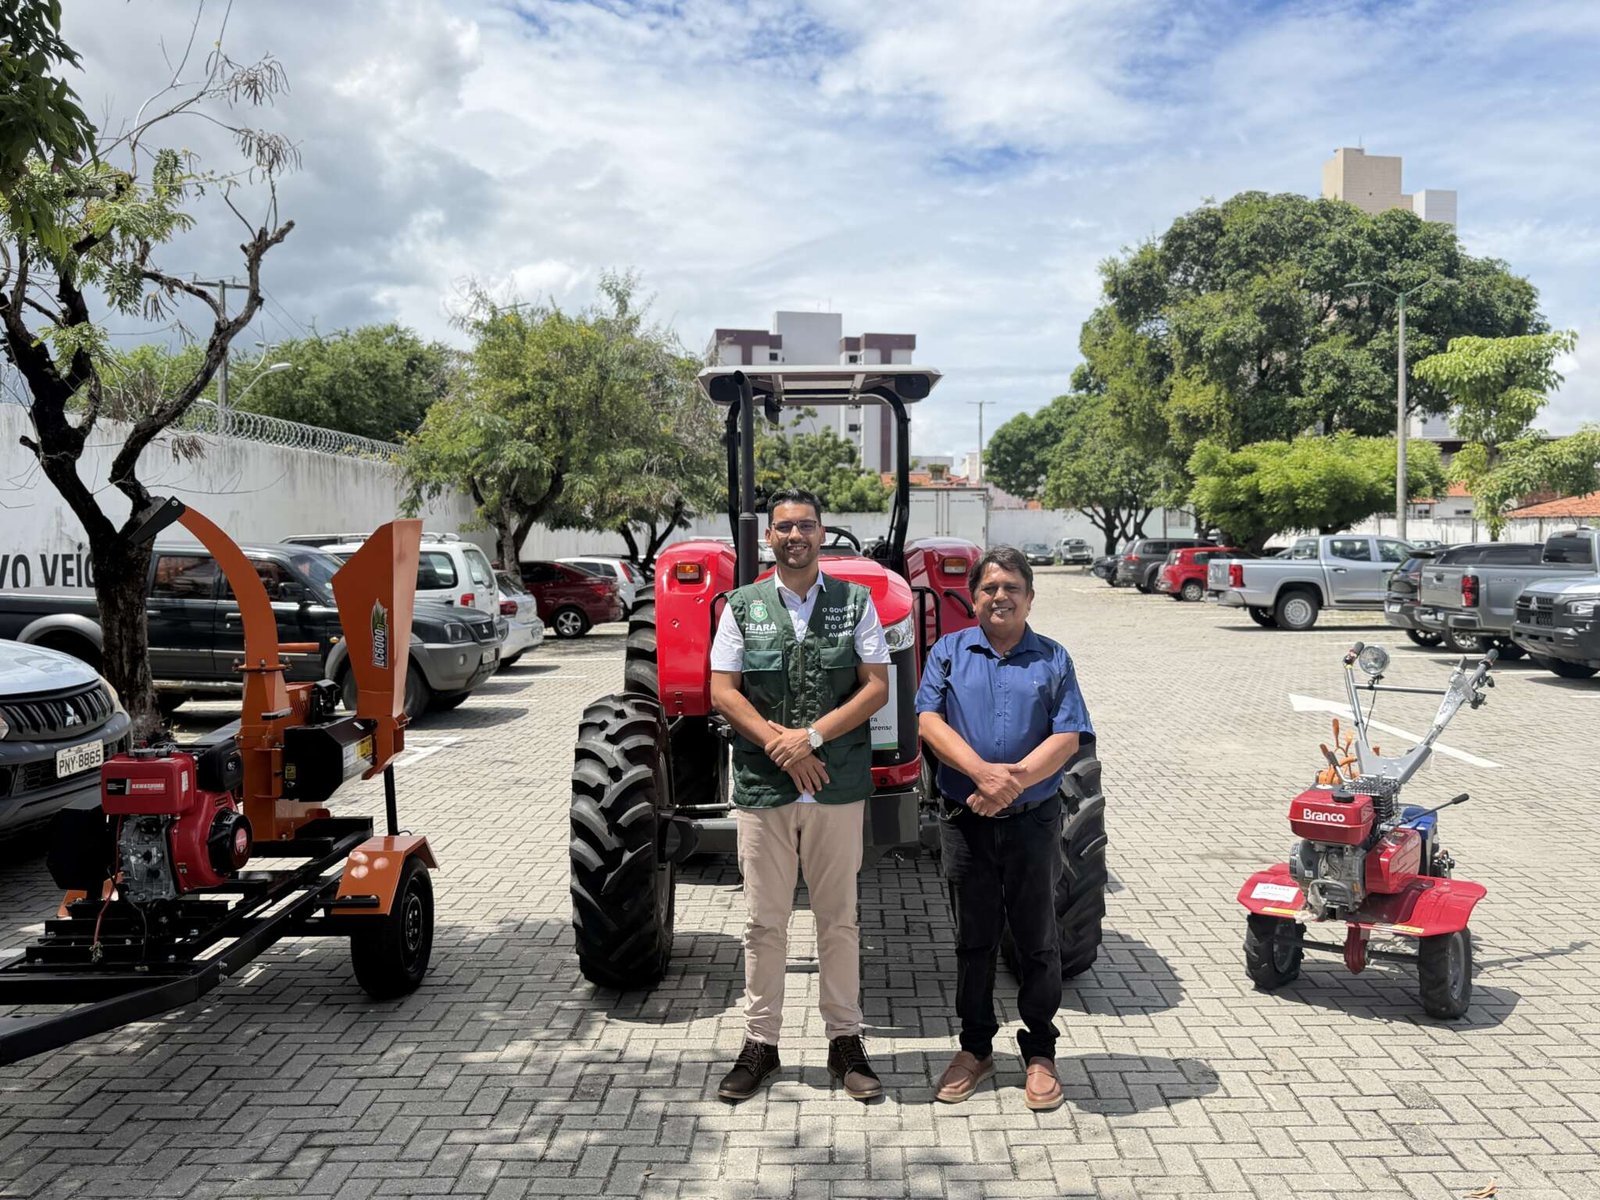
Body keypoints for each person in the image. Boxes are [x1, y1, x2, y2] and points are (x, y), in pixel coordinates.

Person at [708, 487, 891, 1103]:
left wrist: (809, 738)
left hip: (836, 787)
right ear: (770, 537)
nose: (795, 536)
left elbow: (875, 687)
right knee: (765, 922)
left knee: (839, 921)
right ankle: (761, 1043)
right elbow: (724, 692)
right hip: (764, 790)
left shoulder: (855, 602)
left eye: (806, 526)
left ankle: (846, 1043)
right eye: (784, 527)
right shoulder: (742, 606)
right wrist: (781, 747)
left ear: (821, 533)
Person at [915, 545, 1094, 1111]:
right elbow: (928, 719)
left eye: (1011, 588)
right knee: (975, 939)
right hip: (965, 819)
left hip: (1033, 821)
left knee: (1039, 939)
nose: (1000, 597)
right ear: (974, 598)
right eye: (989, 588)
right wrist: (980, 775)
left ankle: (1040, 1051)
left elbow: (1068, 737)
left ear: (1030, 597)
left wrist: (1009, 784)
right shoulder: (949, 651)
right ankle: (975, 1048)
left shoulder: (1054, 658)